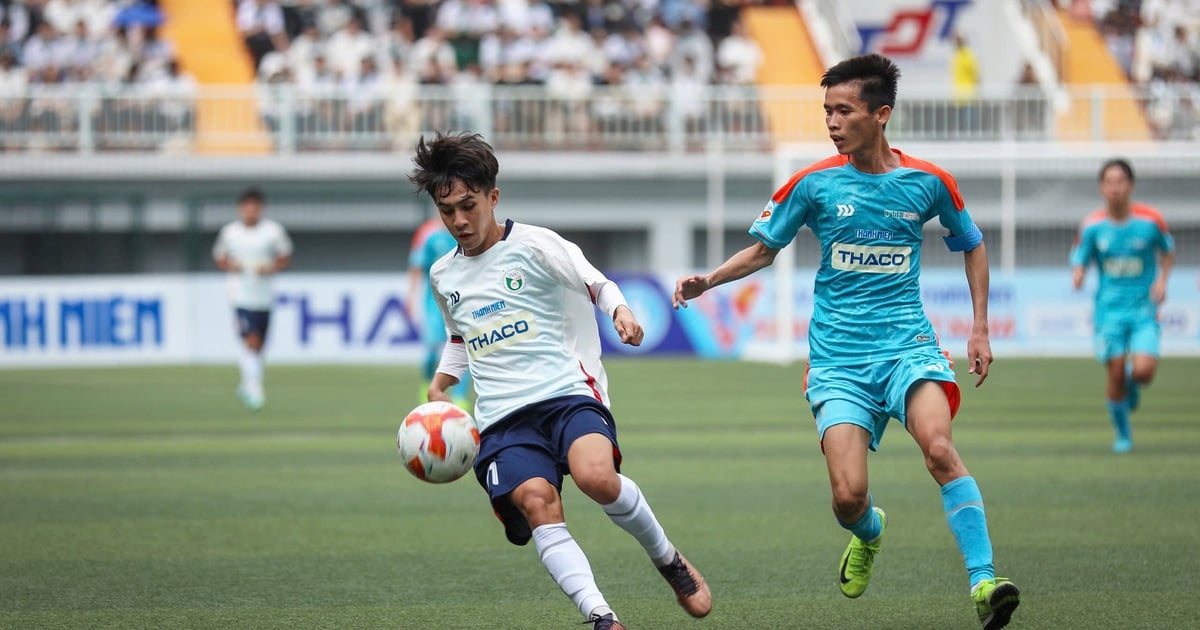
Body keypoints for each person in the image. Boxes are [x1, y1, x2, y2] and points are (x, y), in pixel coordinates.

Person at [672, 54, 1020, 629]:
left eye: (844, 110)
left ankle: (984, 581)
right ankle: (870, 532)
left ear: (880, 115)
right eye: (827, 110)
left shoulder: (930, 183)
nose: (832, 122)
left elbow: (972, 242)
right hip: (838, 361)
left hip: (910, 347)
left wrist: (979, 326)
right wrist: (709, 280)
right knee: (848, 498)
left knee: (938, 447)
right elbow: (764, 249)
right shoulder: (813, 185)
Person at [410, 132, 711, 630]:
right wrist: (441, 386)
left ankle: (669, 561)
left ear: (492, 197)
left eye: (468, 205)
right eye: (447, 212)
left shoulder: (536, 244)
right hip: (503, 419)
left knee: (596, 478)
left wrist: (621, 311)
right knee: (537, 502)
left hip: (567, 395)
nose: (459, 221)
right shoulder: (443, 274)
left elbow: (597, 282)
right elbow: (460, 338)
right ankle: (601, 617)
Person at [1070, 159, 1175, 453]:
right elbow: (1079, 255)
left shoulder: (1151, 221)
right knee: (1115, 370)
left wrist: (1163, 280)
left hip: (1143, 310)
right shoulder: (1092, 226)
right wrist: (1078, 272)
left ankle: (1132, 384)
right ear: (1102, 187)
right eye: (1108, 182)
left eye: (1120, 182)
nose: (1114, 188)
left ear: (1130, 185)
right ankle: (1123, 435)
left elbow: (1168, 251)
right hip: (1109, 312)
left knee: (1143, 372)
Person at [212, 187, 293, 411]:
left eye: (255, 207)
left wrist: (269, 268)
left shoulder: (272, 231)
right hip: (240, 295)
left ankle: (247, 383)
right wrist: (233, 266)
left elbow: (285, 257)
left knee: (259, 346)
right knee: (252, 340)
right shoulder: (230, 233)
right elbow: (219, 258)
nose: (251, 211)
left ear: (260, 209)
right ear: (241, 209)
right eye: (247, 207)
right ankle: (254, 387)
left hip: (264, 296)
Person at [407, 214, 471, 408]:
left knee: (465, 347)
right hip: (434, 302)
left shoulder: (466, 229)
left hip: (464, 299)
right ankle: (429, 384)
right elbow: (416, 267)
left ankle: (459, 399)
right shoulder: (427, 233)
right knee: (431, 351)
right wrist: (411, 297)